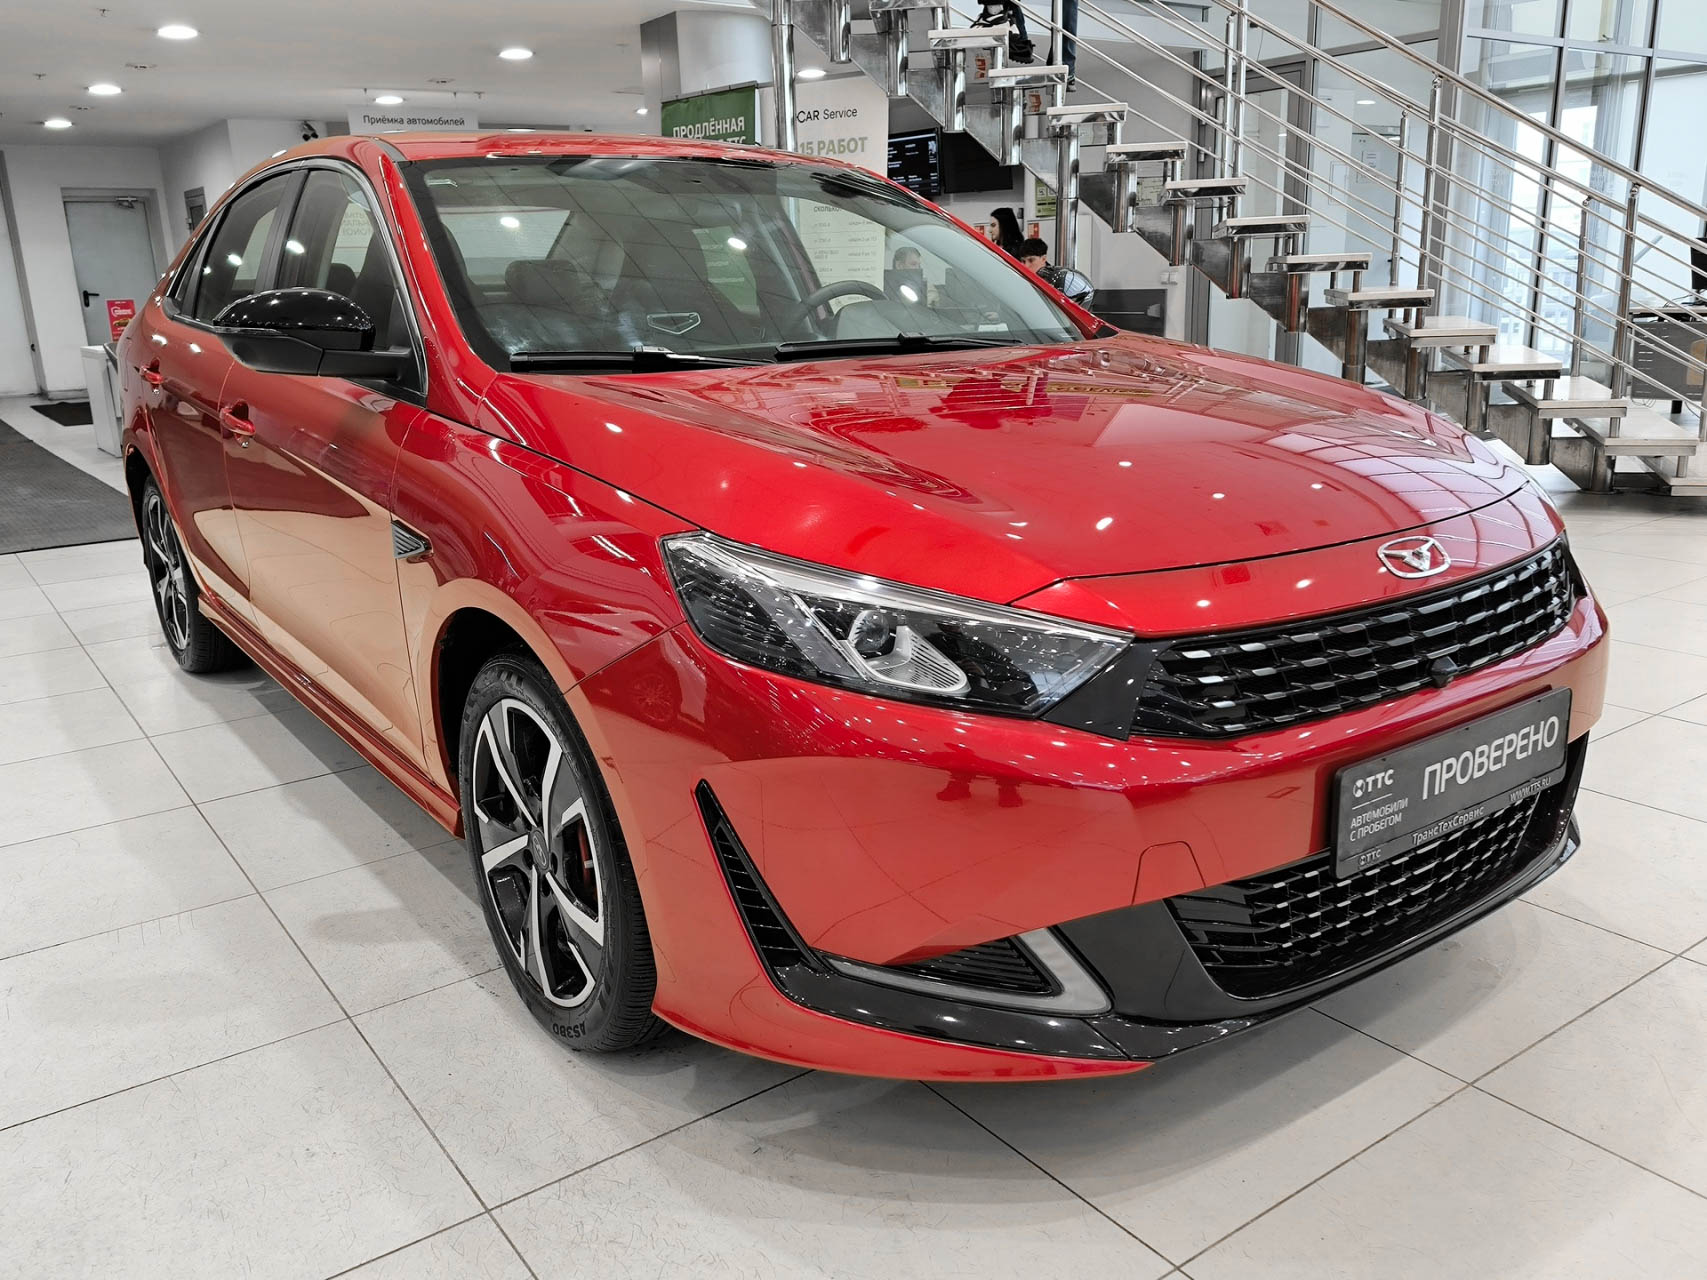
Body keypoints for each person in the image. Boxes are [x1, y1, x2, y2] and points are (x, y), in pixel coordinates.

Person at [1018, 236, 1093, 307]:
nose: (1026, 265)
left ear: (1043, 258)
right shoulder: (1019, 278)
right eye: (1023, 261)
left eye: (1031, 260)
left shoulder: (1057, 281)